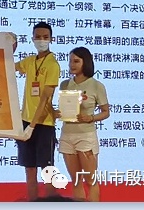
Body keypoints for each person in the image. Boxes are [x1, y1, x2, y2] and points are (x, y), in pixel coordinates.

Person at [55, 47, 109, 202]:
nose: (72, 64)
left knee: (90, 180)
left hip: (86, 136)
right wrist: (57, 113)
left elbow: (106, 112)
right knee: (76, 180)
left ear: (86, 62)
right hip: (67, 135)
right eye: (70, 61)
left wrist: (90, 117)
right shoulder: (65, 84)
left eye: (76, 61)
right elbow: (63, 108)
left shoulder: (96, 85)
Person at [15, 21, 60, 201]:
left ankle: (51, 203)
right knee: (29, 168)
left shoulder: (52, 64)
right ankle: (32, 202)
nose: (41, 40)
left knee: (47, 170)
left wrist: (32, 126)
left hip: (43, 124)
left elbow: (45, 99)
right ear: (32, 39)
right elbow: (8, 67)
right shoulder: (29, 61)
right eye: (38, 37)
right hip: (25, 121)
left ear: (51, 39)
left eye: (45, 37)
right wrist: (9, 49)